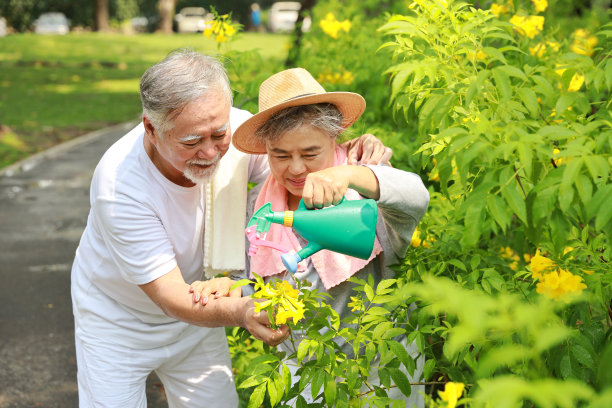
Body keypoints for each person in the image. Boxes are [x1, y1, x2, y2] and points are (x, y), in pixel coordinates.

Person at [70, 49, 392, 408]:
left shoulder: (239, 137)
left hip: (201, 306)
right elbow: (169, 295)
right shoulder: (120, 187)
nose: (211, 152)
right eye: (192, 142)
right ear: (151, 128)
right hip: (118, 321)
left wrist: (351, 155)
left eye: (218, 134)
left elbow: (298, 163)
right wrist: (241, 310)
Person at [191, 68, 430, 405]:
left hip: (382, 377)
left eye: (310, 153)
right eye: (281, 155)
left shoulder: (363, 188)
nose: (296, 168)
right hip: (305, 381)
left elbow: (416, 197)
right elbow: (253, 280)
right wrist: (229, 287)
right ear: (265, 150)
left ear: (336, 138)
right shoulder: (259, 205)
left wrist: (351, 174)